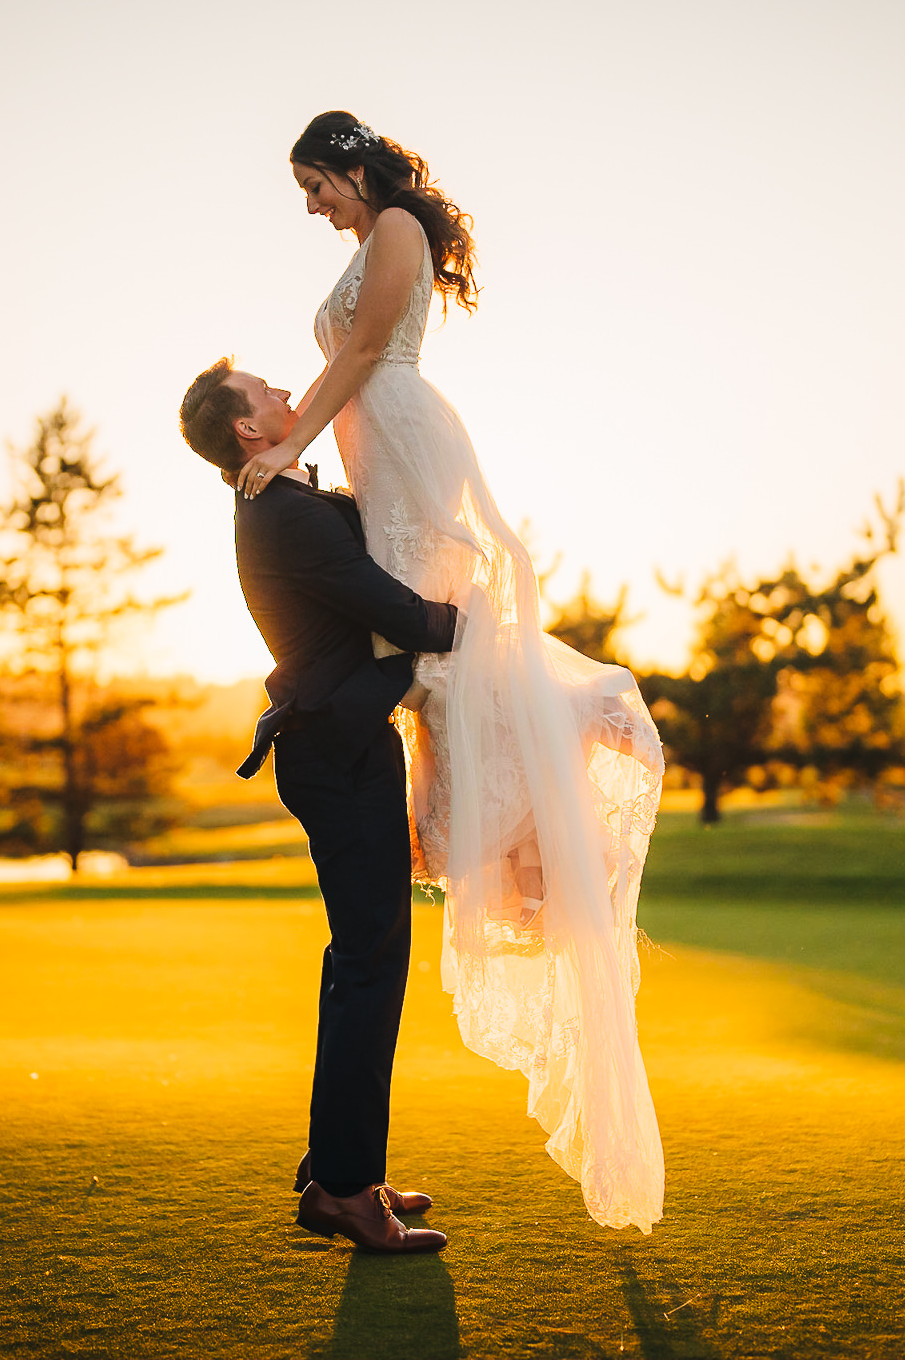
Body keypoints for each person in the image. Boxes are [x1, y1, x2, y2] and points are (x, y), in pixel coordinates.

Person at [233, 111, 666, 1233]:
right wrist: (302, 453)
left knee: (448, 646)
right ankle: (345, 1175)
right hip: (373, 441)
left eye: (311, 186)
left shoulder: (391, 230)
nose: (312, 208)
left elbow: (364, 353)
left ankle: (573, 726)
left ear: (347, 163)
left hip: (402, 426)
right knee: (430, 664)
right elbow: (348, 362)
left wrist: (288, 445)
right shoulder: (363, 246)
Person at [179, 359, 455, 1253]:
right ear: (249, 430)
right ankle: (340, 1189)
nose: (287, 391)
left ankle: (342, 1169)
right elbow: (405, 618)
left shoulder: (280, 495)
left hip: (342, 747)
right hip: (335, 760)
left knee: (362, 961)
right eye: (266, 392)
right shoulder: (282, 513)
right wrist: (483, 621)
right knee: (370, 963)